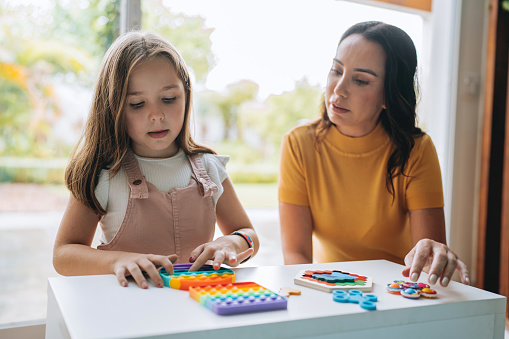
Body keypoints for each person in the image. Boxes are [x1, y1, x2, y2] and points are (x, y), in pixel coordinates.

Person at [53, 31, 259, 289]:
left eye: (169, 99)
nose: (156, 115)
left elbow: (248, 234)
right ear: (113, 106)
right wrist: (116, 261)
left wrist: (233, 242)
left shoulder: (209, 167)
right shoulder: (103, 173)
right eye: (137, 104)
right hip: (129, 317)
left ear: (186, 94)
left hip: (198, 312)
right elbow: (63, 255)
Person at [278, 21, 469, 287]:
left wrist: (435, 255)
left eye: (360, 80)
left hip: (397, 290)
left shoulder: (416, 149)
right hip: (327, 288)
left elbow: (426, 262)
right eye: (336, 70)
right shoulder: (299, 144)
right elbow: (296, 254)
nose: (338, 89)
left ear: (389, 95)